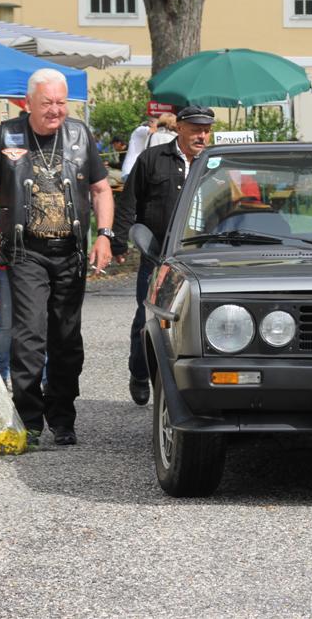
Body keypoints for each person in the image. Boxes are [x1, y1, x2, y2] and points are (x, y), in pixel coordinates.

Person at [0, 68, 114, 446]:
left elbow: (101, 189)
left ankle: (63, 418)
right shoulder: (7, 135)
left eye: (61, 102)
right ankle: (30, 419)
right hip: (26, 251)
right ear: (28, 103)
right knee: (29, 336)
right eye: (47, 102)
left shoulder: (80, 135)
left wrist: (104, 236)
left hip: (70, 252)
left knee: (67, 338)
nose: (56, 110)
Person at [112, 106, 214, 405]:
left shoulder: (215, 164)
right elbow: (129, 203)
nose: (202, 135)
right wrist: (119, 242)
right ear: (179, 127)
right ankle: (140, 372)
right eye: (196, 129)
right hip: (158, 256)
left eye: (206, 130)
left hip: (203, 257)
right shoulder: (152, 160)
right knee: (146, 318)